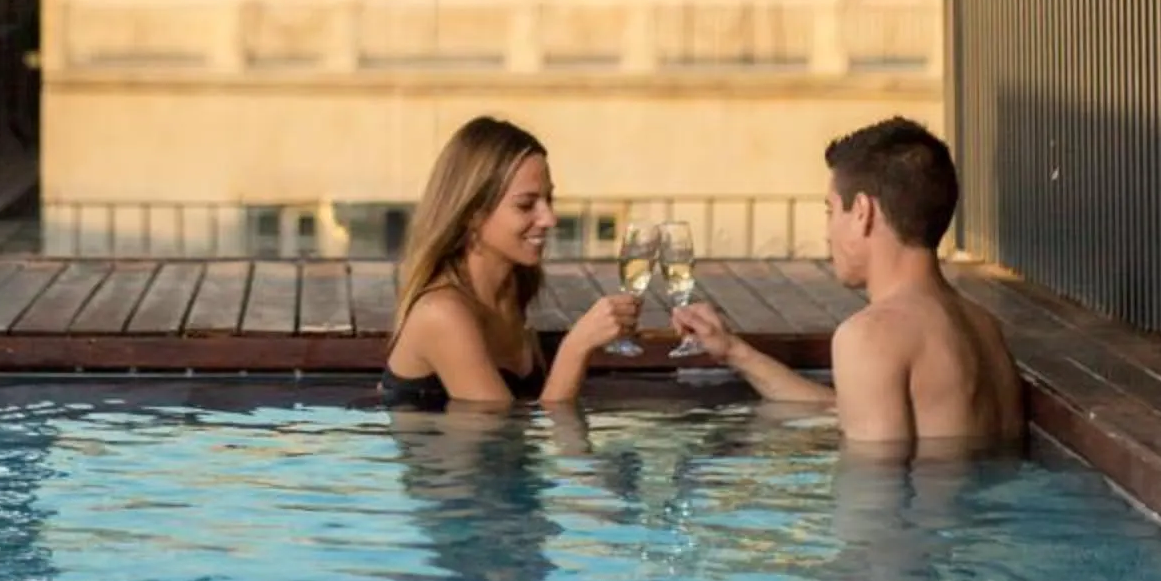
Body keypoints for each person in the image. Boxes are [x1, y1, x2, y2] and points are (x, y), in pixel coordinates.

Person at [671, 117, 1025, 457]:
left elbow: (873, 500)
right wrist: (733, 351)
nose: (827, 232)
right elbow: (842, 409)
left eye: (830, 211)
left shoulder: (871, 336)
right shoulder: (984, 328)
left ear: (861, 212)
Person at [381, 115, 639, 409]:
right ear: (472, 214)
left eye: (548, 200)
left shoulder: (513, 289)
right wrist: (575, 348)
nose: (549, 219)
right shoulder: (441, 314)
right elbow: (508, 440)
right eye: (526, 205)